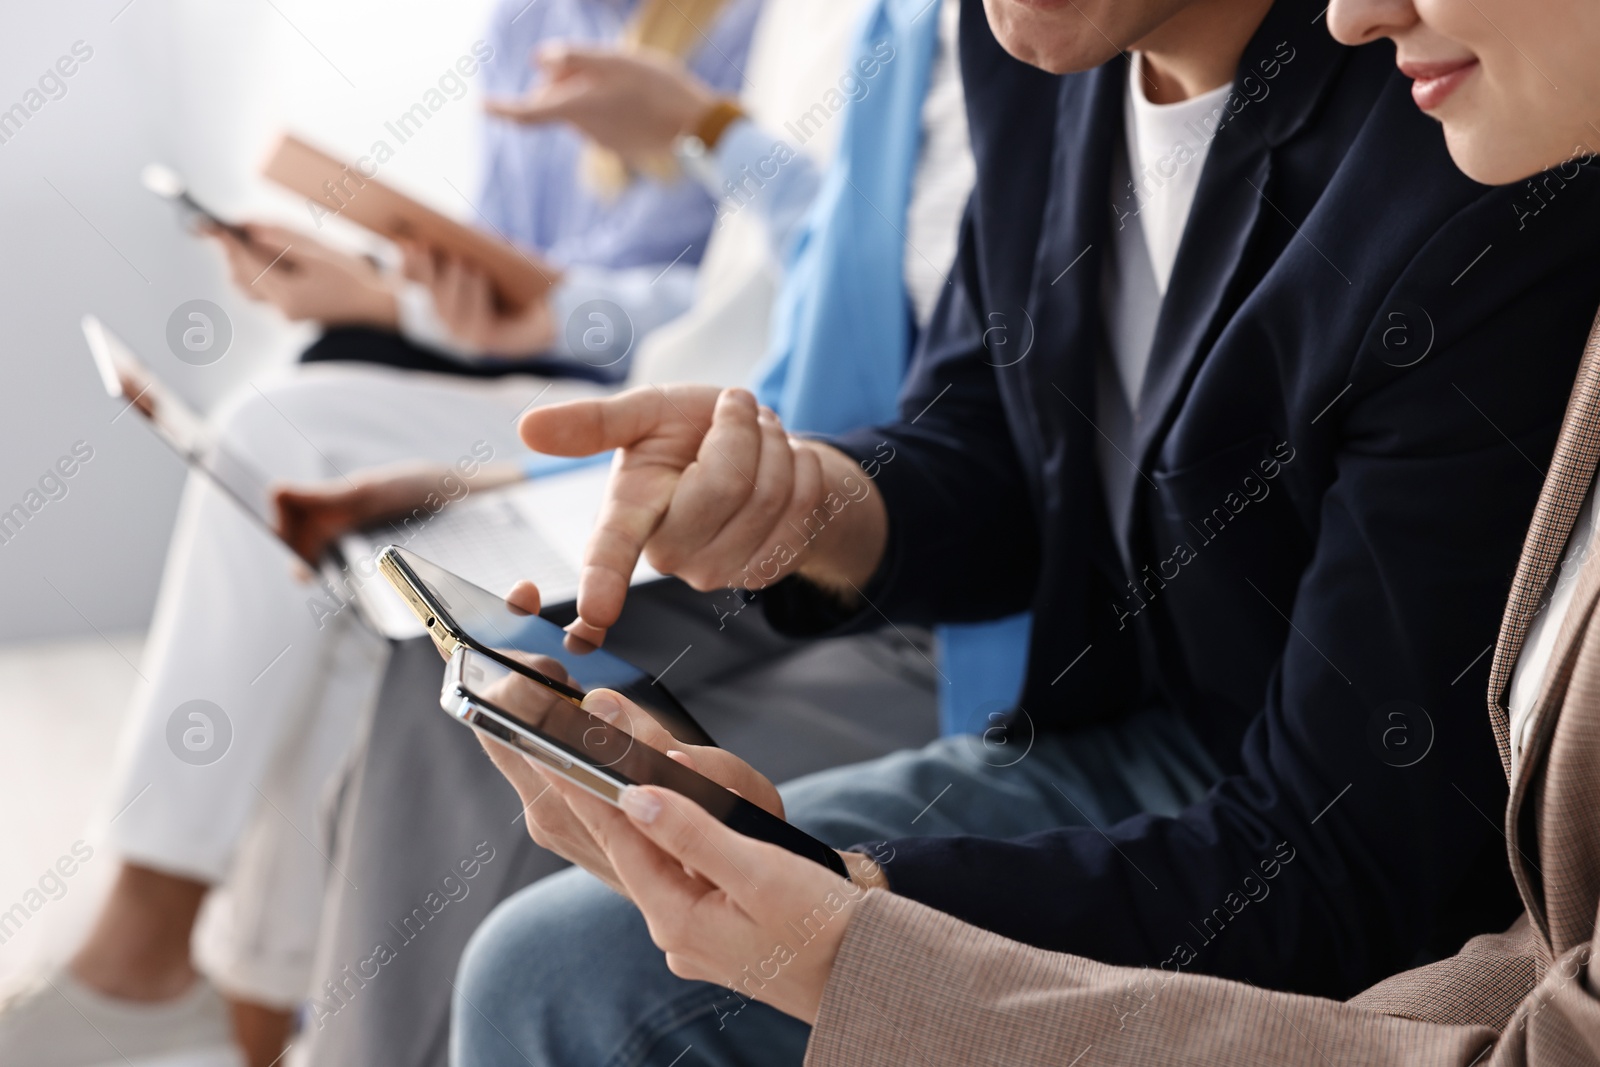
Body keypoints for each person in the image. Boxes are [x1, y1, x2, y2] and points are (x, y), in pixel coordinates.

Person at [450, 0, 1600, 1063]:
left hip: (1298, 808)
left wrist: (847, 909)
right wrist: (805, 505)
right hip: (1134, 736)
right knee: (550, 955)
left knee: (579, 969)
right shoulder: (1034, 49)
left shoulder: (1470, 125)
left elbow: (1353, 860)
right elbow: (997, 436)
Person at [0, 1, 761, 1066]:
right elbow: (504, 264)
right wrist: (390, 291)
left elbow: (761, 306)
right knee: (328, 539)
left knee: (283, 439)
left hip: (666, 413)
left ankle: (159, 952)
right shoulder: (534, 17)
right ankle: (237, 997)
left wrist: (674, 155)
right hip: (521, 380)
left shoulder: (775, 29)